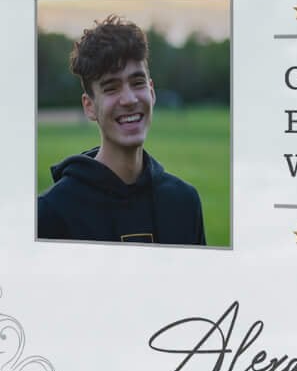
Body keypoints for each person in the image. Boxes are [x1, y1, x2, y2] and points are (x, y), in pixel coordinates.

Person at [37, 15, 206, 245]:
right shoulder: (52, 213)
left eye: (137, 83)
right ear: (89, 106)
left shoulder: (184, 203)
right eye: (111, 88)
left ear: (151, 92)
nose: (129, 99)